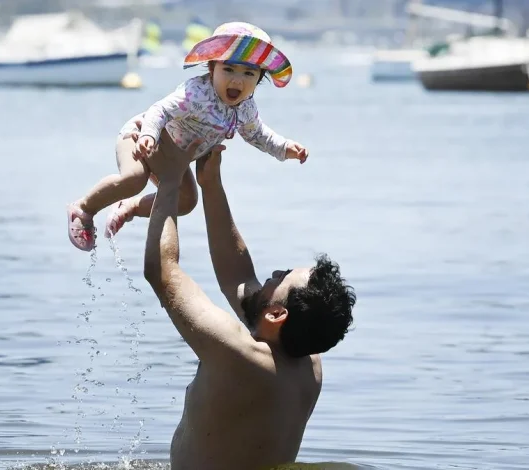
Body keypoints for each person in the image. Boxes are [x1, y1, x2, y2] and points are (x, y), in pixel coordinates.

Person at [141, 126, 356, 470]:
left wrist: (169, 179)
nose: (274, 274)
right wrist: (210, 184)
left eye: (282, 277)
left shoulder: (241, 356)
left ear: (276, 315)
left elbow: (161, 271)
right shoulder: (308, 365)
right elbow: (238, 277)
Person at [67, 21, 309, 252]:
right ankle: (83, 209)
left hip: (174, 160)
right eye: (228, 69)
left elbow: (258, 134)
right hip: (141, 137)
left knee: (186, 201)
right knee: (134, 179)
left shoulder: (246, 108)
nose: (237, 80)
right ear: (212, 68)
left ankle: (130, 209)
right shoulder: (196, 93)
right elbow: (160, 110)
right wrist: (149, 135)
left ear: (259, 78)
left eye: (248, 73)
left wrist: (284, 148)